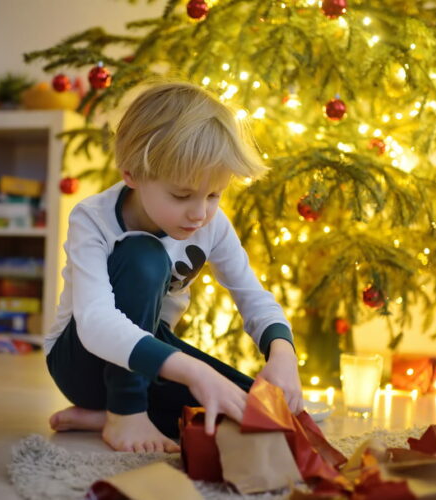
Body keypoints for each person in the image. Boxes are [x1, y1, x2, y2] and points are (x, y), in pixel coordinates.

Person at [44, 81, 302, 453]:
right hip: (82, 361)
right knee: (143, 255)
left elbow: (252, 296)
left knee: (250, 410)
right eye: (182, 195)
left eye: (214, 194)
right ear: (131, 173)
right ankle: (125, 411)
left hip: (150, 353)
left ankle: (107, 414)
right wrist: (195, 372)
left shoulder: (212, 223)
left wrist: (283, 354)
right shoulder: (92, 219)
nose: (200, 213)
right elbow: (96, 323)